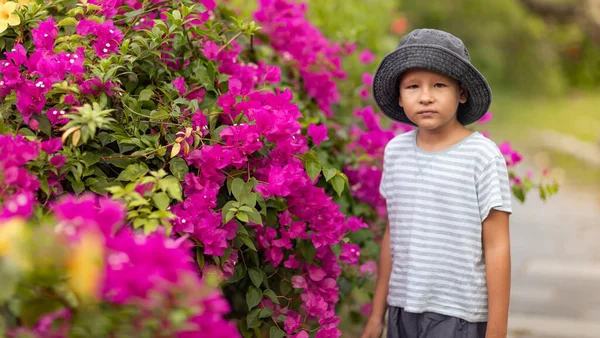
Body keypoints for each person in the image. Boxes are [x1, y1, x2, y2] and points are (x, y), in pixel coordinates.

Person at [361, 28, 512, 338]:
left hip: (458, 315)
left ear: (461, 92)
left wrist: (497, 331)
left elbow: (497, 245)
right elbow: (394, 233)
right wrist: (377, 315)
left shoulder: (481, 156)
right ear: (400, 97)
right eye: (413, 86)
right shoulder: (396, 152)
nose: (426, 96)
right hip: (402, 309)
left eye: (439, 85)